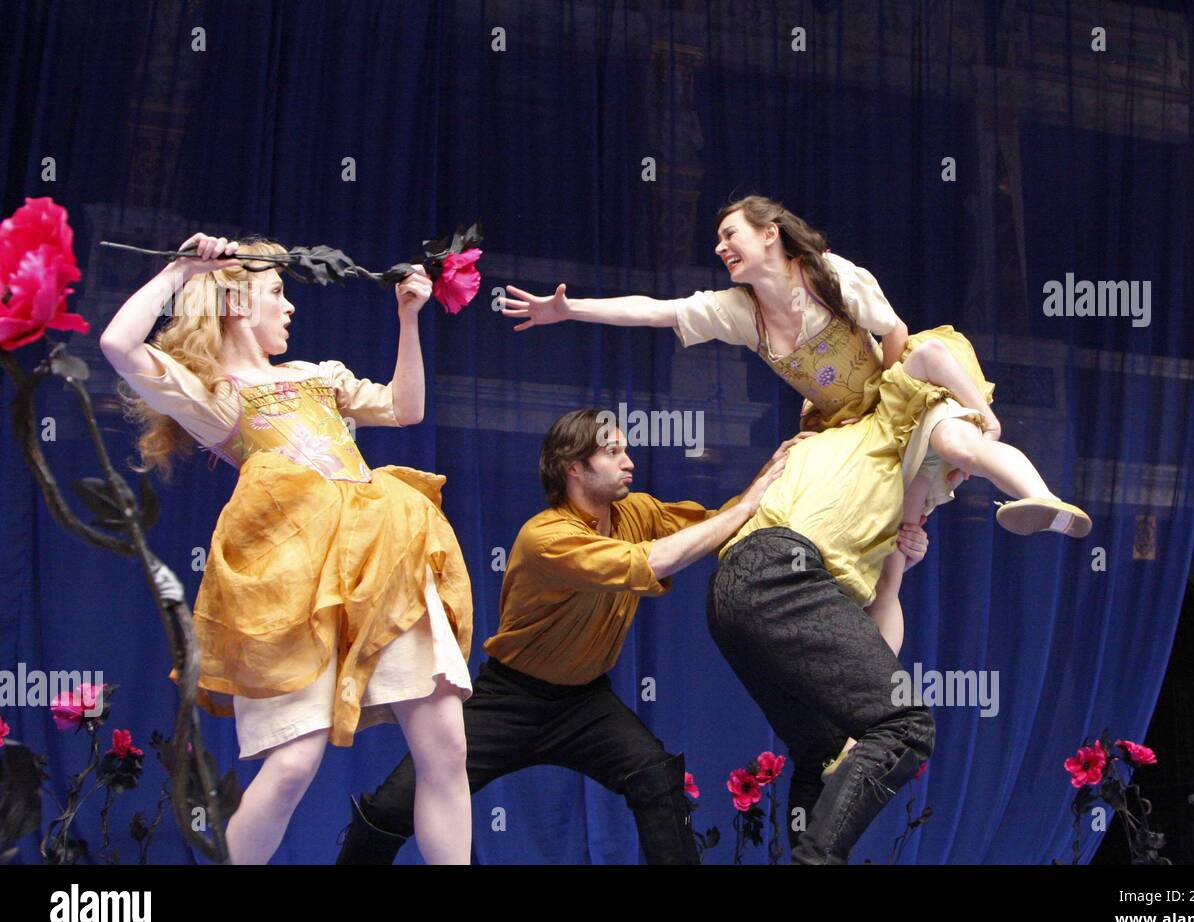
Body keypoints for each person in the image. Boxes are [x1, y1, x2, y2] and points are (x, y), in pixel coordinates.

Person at [502, 194, 1091, 653]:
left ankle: (1043, 500)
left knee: (957, 437)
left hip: (894, 390)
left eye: (729, 235)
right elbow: (659, 312)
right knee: (890, 565)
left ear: (769, 234)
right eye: (717, 241)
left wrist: (898, 411)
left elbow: (893, 334)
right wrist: (569, 309)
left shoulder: (828, 275)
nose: (721, 248)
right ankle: (876, 704)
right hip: (845, 424)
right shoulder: (739, 312)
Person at [100, 233, 474, 864]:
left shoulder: (313, 377)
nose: (291, 307)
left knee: (447, 748)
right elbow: (118, 345)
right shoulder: (214, 397)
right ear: (238, 301)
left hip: (383, 558)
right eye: (278, 292)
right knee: (294, 762)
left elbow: (405, 408)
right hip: (293, 579)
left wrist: (409, 319)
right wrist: (182, 270)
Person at [336, 408, 810, 864]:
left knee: (655, 778)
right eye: (612, 452)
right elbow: (651, 562)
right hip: (511, 700)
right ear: (574, 468)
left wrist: (775, 470)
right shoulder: (546, 538)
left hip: (585, 704)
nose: (629, 462)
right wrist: (749, 501)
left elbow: (718, 527)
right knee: (395, 807)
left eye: (626, 449)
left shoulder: (636, 512)